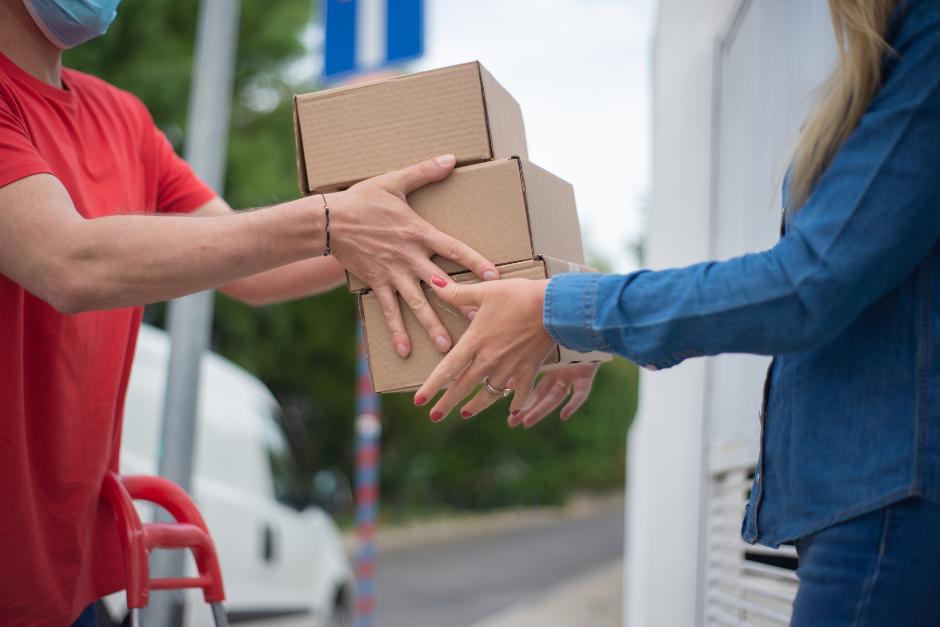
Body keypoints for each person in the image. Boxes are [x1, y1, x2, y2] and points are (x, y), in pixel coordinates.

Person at [418, 0, 940, 624]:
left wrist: (560, 312)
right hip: (868, 501)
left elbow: (804, 286)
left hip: (887, 503)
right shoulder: (888, 52)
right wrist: (585, 331)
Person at [0, 1, 516, 625]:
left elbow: (259, 264)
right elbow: (67, 263)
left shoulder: (121, 119)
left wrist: (432, 218)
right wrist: (333, 219)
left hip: (65, 582)